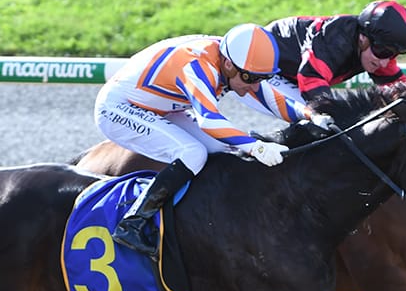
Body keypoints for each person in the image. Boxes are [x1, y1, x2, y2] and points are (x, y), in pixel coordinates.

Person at [94, 23, 333, 256]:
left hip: (161, 105)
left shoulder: (236, 64)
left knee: (221, 150)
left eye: (261, 78)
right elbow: (209, 121)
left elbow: (274, 100)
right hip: (119, 108)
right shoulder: (198, 65)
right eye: (250, 78)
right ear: (229, 65)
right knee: (192, 153)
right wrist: (257, 148)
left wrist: (312, 115)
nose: (253, 86)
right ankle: (133, 223)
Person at [241, 0, 406, 112]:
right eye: (383, 51)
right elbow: (310, 79)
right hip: (260, 69)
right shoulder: (336, 40)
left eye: (394, 54)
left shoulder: (373, 48)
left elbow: (401, 87)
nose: (385, 62)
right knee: (316, 119)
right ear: (363, 39)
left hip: (295, 74)